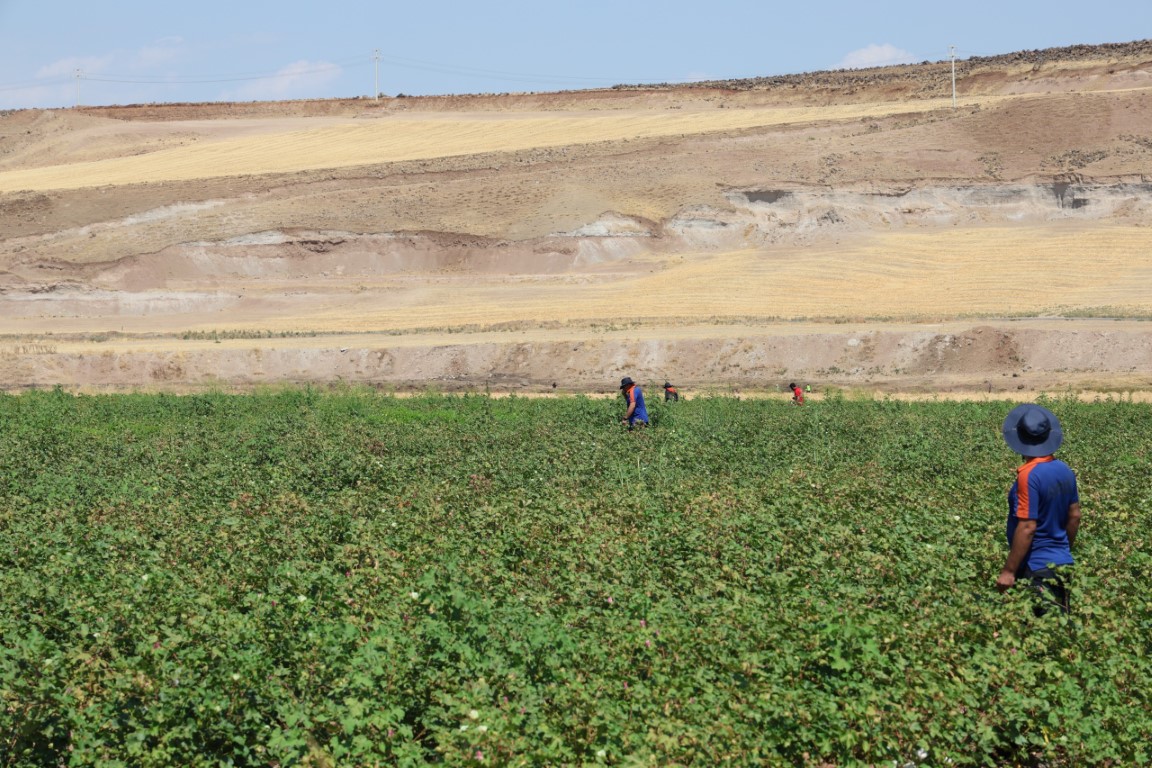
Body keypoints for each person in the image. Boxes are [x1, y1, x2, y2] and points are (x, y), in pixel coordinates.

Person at [997, 403, 1082, 615]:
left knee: (1034, 631)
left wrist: (1008, 571)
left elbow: (1027, 527)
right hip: (1063, 564)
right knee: (1058, 630)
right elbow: (1074, 517)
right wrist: (1062, 550)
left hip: (1036, 567)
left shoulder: (1029, 475)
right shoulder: (1065, 470)